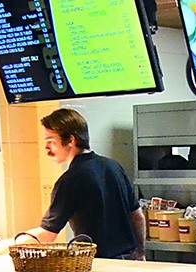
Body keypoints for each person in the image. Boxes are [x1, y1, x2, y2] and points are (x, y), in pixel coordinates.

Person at [10, 108, 144, 259]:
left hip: (100, 265)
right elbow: (137, 216)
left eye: (50, 141)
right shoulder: (113, 166)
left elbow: (46, 234)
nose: (46, 148)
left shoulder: (70, 180)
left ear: (71, 140)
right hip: (129, 262)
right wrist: (141, 253)